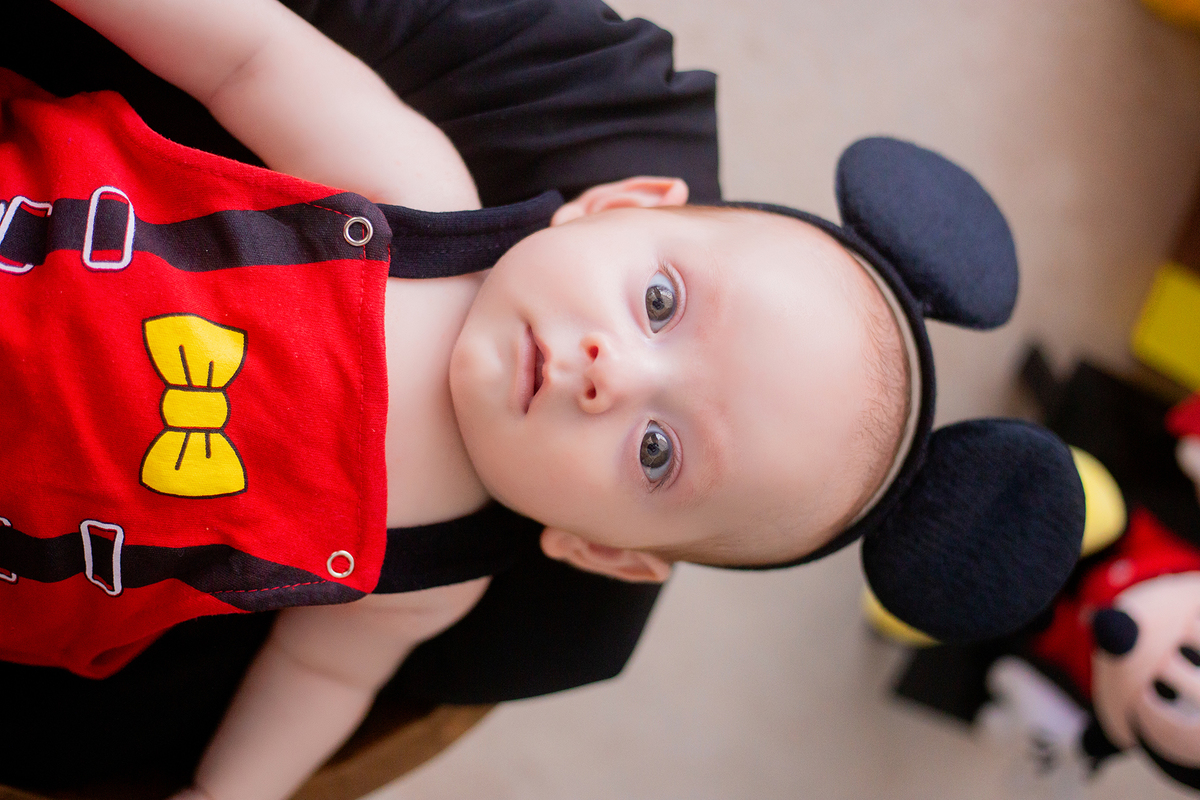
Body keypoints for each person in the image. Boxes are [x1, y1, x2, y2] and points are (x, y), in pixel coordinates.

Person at [0, 1, 1087, 798]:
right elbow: (243, 53)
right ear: (613, 204)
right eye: (659, 300)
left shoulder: (438, 574)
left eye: (657, 450)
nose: (614, 370)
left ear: (604, 550)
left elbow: (320, 671)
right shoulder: (413, 190)